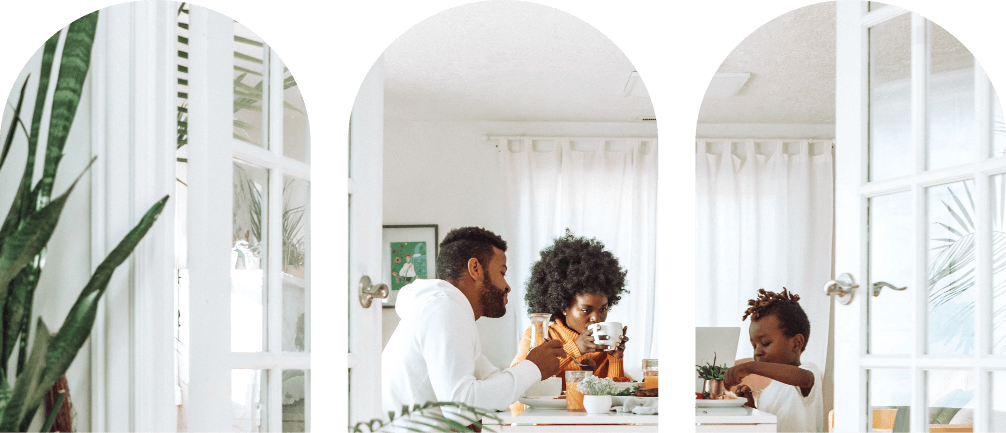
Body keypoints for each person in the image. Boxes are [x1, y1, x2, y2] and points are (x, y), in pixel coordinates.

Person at [382, 227, 566, 432]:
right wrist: (533, 367)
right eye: (502, 272)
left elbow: (490, 381)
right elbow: (460, 407)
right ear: (475, 269)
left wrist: (533, 367)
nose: (507, 286)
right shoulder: (445, 309)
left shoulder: (445, 309)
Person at [507, 229, 632, 411]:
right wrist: (575, 348)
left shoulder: (605, 346)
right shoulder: (541, 335)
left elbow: (613, 403)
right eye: (585, 310)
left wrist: (615, 359)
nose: (596, 318)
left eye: (603, 309)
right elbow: (518, 385)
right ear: (564, 306)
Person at [724, 288, 823, 433]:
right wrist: (752, 407)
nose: (757, 351)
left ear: (796, 343)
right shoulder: (768, 392)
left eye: (765, 343)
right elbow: (766, 427)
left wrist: (750, 367)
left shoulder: (808, 372)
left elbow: (802, 378)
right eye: (754, 345)